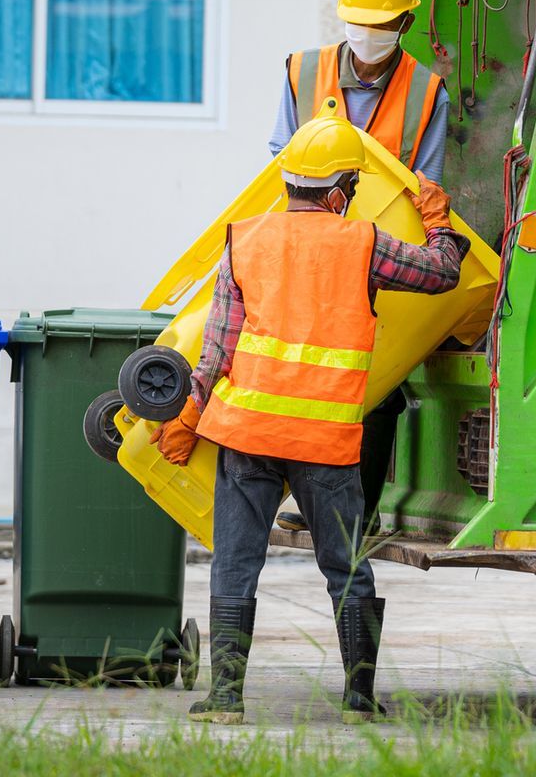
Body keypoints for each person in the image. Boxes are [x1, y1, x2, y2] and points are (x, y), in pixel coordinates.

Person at [153, 114, 465, 725]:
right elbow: (441, 274)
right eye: (349, 186)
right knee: (345, 564)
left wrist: (191, 409)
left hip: (247, 434)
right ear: (335, 192)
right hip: (324, 439)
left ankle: (225, 699)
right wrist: (439, 224)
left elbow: (217, 347)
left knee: (236, 563)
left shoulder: (244, 239)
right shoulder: (362, 241)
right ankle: (357, 699)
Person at [269, 0, 450, 536]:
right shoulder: (303, 70)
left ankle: (350, 516)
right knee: (293, 369)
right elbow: (277, 162)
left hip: (374, 255)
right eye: (357, 22)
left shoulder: (426, 92)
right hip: (303, 245)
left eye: (379, 24)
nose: (365, 35)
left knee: (374, 385)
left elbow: (424, 186)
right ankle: (297, 492)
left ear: (403, 25)